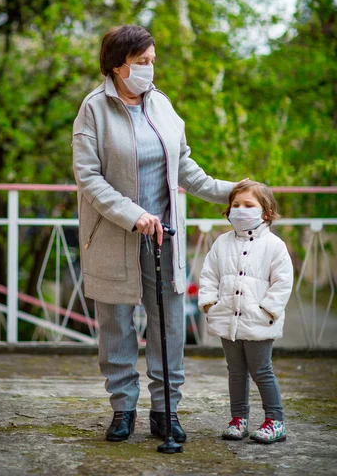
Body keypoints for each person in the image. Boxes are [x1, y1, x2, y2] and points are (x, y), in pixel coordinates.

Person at [72, 24, 242, 443]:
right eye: (140, 63)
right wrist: (133, 215)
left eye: (152, 61)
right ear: (116, 67)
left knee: (167, 324)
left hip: (163, 235)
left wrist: (234, 190)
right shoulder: (93, 109)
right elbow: (89, 178)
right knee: (116, 325)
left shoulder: (162, 105)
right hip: (114, 235)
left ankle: (166, 410)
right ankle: (123, 409)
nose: (149, 70)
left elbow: (185, 167)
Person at [198, 180, 293, 444]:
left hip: (259, 321)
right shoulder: (221, 243)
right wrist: (209, 304)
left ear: (265, 212)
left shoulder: (274, 246)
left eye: (248, 205)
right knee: (236, 371)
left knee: (262, 370)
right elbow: (209, 275)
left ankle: (275, 421)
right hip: (227, 319)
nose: (240, 210)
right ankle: (238, 418)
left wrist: (267, 310)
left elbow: (282, 282)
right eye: (235, 205)